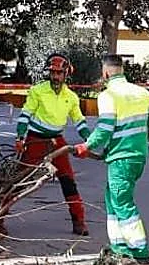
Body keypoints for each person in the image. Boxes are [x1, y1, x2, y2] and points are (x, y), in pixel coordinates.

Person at [73, 54, 149, 262]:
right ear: (122, 70)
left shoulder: (108, 95)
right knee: (112, 199)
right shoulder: (141, 92)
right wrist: (145, 132)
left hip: (121, 158)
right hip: (137, 155)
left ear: (105, 73)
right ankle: (119, 247)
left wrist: (86, 146)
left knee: (122, 202)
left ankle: (140, 252)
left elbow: (104, 129)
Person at [14, 54, 92, 235]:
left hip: (58, 141)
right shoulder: (38, 91)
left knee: (68, 181)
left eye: (59, 73)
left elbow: (79, 121)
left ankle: (79, 221)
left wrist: (89, 140)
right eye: (53, 73)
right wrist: (20, 137)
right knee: (18, 180)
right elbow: (25, 115)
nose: (56, 77)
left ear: (66, 74)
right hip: (35, 140)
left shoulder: (71, 97)